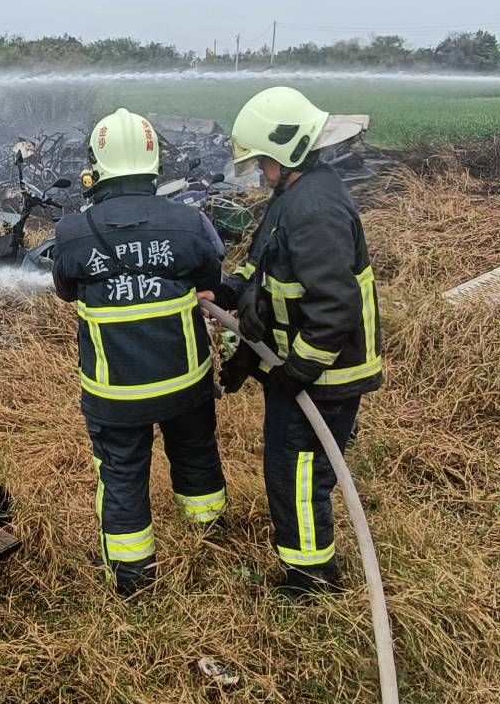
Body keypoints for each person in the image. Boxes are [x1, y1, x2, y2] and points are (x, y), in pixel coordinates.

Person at [208, 87, 381, 593]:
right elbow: (264, 269)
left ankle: (312, 579)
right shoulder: (295, 195)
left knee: (299, 473)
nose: (260, 170)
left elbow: (334, 305)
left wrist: (298, 371)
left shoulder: (314, 209)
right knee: (290, 466)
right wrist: (228, 292)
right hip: (302, 367)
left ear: (284, 152)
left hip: (325, 374)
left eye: (263, 160)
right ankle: (308, 567)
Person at [52, 108, 228, 595]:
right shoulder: (190, 223)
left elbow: (67, 291)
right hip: (184, 383)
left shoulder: (72, 233)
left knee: (123, 475)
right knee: (196, 454)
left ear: (97, 167)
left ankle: (133, 578)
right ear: (154, 163)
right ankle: (209, 534)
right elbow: (212, 281)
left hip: (115, 393)